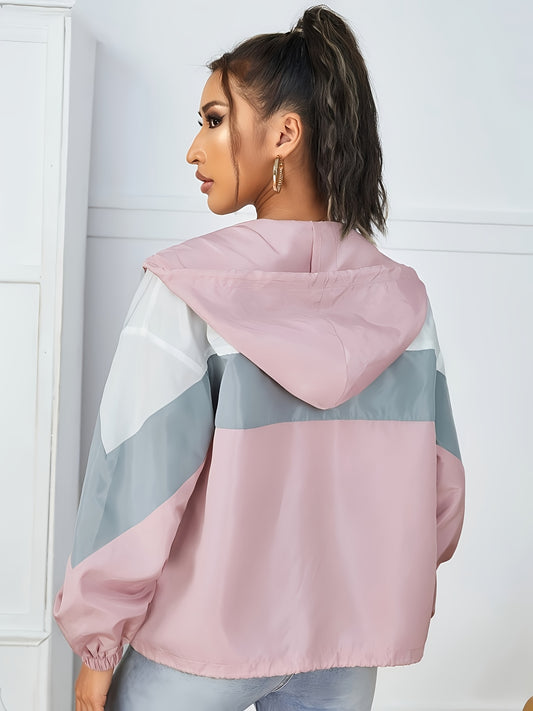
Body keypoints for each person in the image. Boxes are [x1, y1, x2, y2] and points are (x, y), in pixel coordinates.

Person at [54, 5, 465, 710]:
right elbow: (442, 491)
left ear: (283, 135)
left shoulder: (187, 291)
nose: (194, 149)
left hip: (199, 645)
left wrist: (99, 642)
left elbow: (137, 482)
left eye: (214, 120)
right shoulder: (403, 301)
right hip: (344, 643)